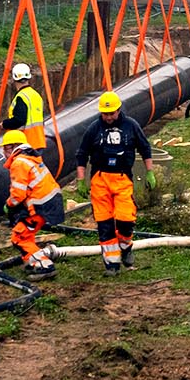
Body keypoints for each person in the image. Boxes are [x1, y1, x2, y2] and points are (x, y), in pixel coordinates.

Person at [74, 90, 156, 273]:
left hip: (122, 179)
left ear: (119, 110)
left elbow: (145, 148)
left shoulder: (131, 126)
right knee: (105, 224)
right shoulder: (94, 128)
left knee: (126, 218)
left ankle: (125, 247)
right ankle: (112, 264)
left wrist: (150, 172)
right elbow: (81, 154)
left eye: (111, 113)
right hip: (100, 180)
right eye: (105, 114)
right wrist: (81, 180)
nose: (109, 117)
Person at [1, 130, 62, 278]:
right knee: (27, 235)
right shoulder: (30, 158)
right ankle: (32, 262)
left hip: (40, 206)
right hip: (48, 204)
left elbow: (18, 194)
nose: (4, 152)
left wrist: (9, 205)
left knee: (19, 237)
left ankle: (44, 266)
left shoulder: (19, 163)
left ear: (12, 147)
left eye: (5, 148)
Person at [1, 62, 46, 150]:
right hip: (38, 142)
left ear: (14, 78)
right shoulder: (36, 95)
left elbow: (19, 120)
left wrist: (4, 124)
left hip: (25, 144)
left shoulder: (21, 97)